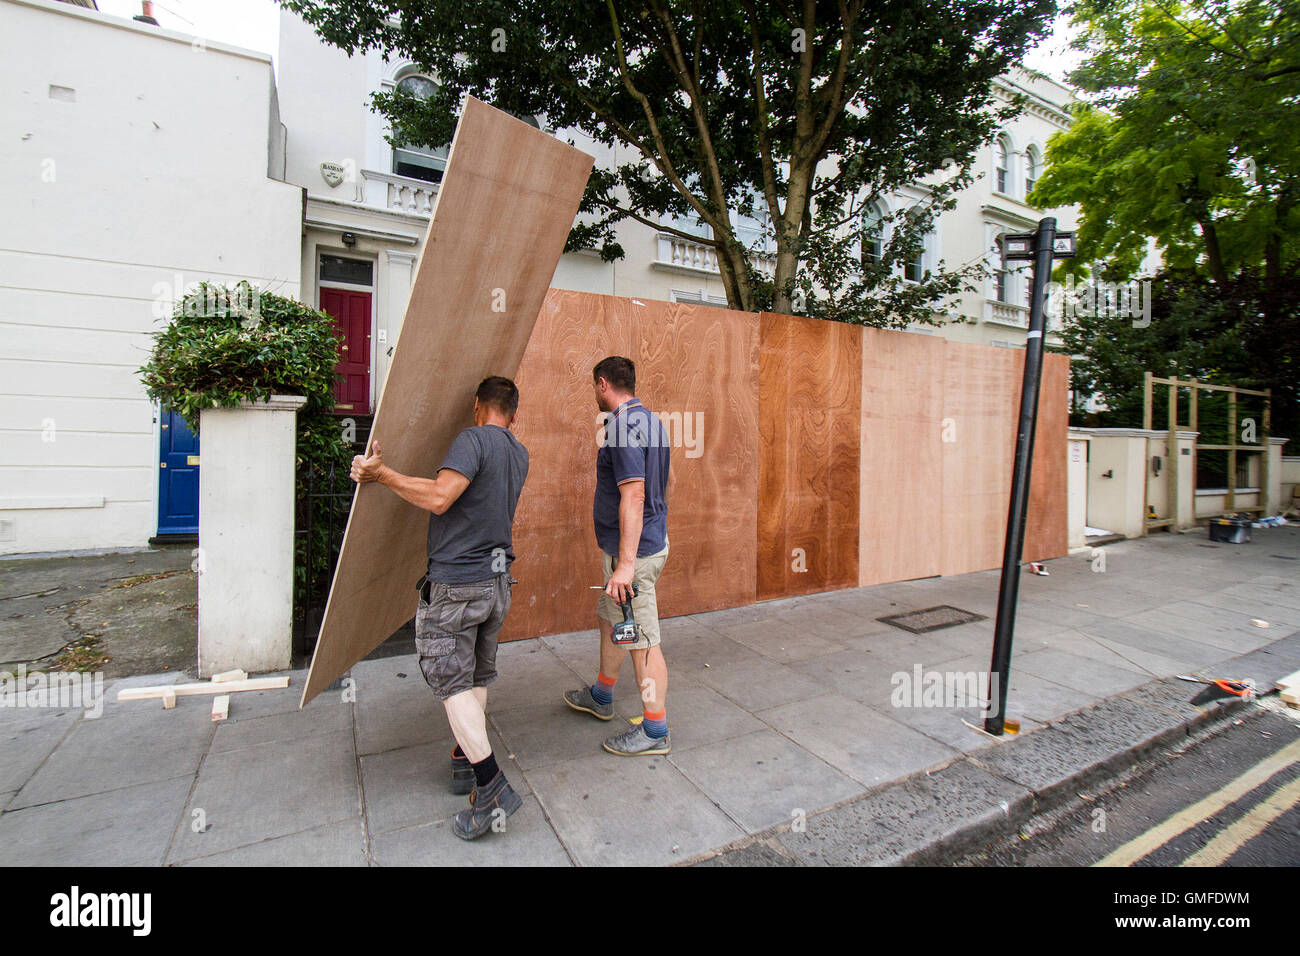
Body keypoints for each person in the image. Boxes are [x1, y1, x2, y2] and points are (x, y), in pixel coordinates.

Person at [350, 376, 528, 840]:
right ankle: (465, 760)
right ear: (514, 412)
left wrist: (381, 474)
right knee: (474, 677)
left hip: (457, 586)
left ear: (476, 407)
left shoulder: (473, 440)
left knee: (450, 681)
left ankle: (491, 787)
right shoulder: (518, 452)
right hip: (496, 583)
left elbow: (439, 497)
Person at [564, 356, 674, 756]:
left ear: (603, 383)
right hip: (636, 548)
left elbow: (635, 494)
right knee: (611, 617)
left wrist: (626, 565)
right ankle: (602, 695)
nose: (594, 393)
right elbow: (657, 485)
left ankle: (655, 730)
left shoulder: (623, 428)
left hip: (634, 556)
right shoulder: (651, 421)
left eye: (594, 387)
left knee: (643, 640)